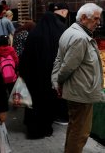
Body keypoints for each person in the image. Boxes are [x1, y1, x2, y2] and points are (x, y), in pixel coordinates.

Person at [51, 3, 105, 153]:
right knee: (80, 133)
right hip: (81, 93)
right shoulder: (80, 38)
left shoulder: (70, 31)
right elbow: (66, 66)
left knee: (75, 128)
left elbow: (59, 60)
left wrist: (57, 81)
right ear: (83, 18)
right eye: (95, 19)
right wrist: (58, 82)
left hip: (78, 91)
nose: (98, 22)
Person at [19, 11, 67, 139]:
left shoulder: (34, 35)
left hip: (34, 79)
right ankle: (46, 127)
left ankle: (33, 129)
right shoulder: (58, 36)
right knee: (48, 104)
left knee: (34, 103)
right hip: (50, 78)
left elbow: (26, 58)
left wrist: (23, 73)